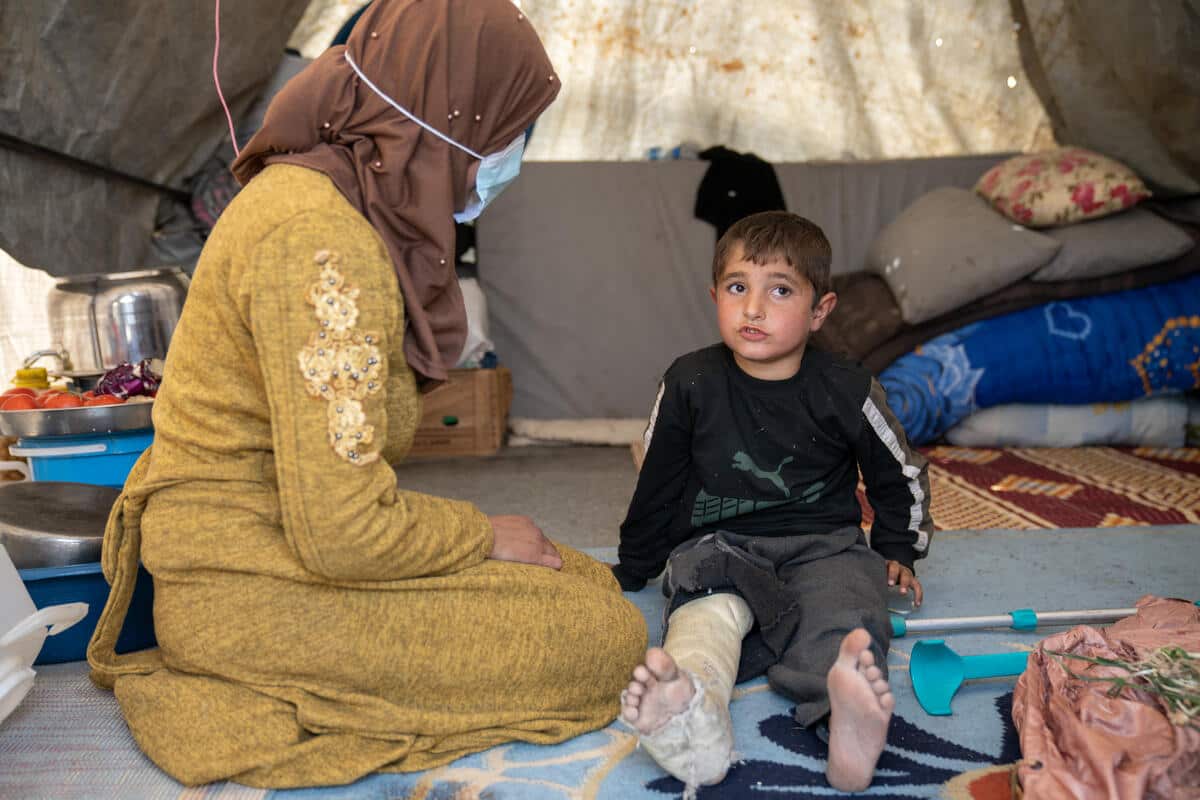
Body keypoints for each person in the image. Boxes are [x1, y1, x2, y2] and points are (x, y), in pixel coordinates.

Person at [86, 0, 646, 787]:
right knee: (601, 637)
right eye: (509, 131)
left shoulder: (328, 198)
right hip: (248, 592)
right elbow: (344, 534)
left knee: (585, 579)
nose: (511, 158)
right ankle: (242, 679)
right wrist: (478, 535)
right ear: (447, 118)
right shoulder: (320, 242)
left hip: (280, 548)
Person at [611, 210, 933, 795]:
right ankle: (692, 710)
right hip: (718, 546)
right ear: (715, 296)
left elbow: (898, 473)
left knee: (846, 615)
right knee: (702, 618)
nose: (753, 308)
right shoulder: (688, 382)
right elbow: (658, 480)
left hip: (824, 547)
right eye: (738, 288)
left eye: (779, 290)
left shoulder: (848, 387)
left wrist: (897, 548)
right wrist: (635, 565)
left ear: (820, 311)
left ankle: (843, 719)